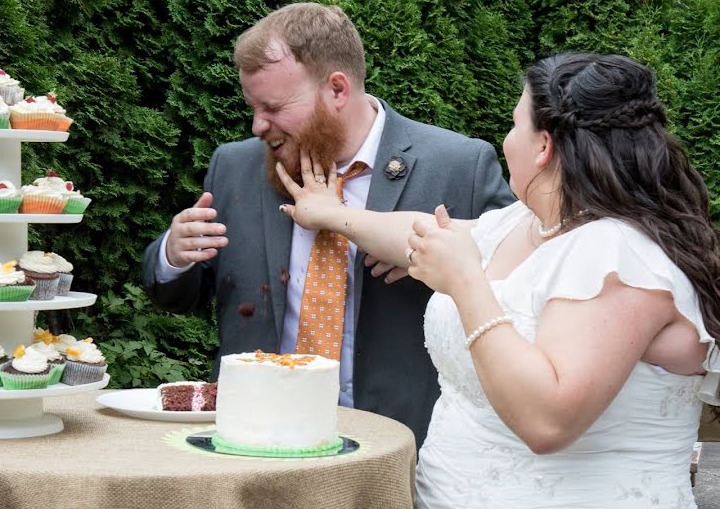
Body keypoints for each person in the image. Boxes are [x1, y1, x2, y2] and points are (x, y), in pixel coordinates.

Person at [277, 52, 720, 508]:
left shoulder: (618, 253)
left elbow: (548, 422)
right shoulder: (522, 223)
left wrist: (465, 281)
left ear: (544, 146)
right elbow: (417, 232)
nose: (506, 140)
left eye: (513, 125)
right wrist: (333, 214)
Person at [141, 2, 515, 446]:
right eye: (253, 107)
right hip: (253, 440)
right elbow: (178, 293)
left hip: (401, 443)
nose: (259, 125)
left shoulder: (457, 166)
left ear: (337, 89)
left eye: (274, 107)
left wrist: (443, 261)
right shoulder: (234, 166)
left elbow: (522, 278)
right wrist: (173, 255)